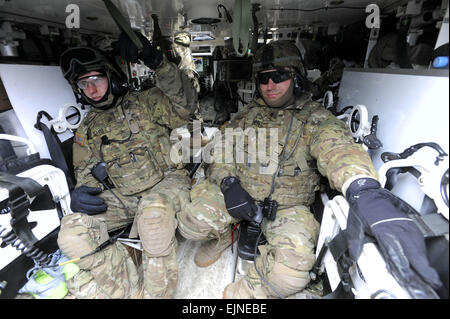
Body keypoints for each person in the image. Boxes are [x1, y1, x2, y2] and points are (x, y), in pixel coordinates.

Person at [176, 40, 443, 298]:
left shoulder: (314, 119)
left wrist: (363, 188)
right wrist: (228, 184)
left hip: (287, 207)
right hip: (239, 194)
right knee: (189, 225)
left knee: (290, 275)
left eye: (279, 76)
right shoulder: (247, 115)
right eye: (263, 78)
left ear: (296, 77)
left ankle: (249, 288)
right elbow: (221, 150)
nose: (270, 85)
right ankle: (227, 233)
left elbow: (338, 149)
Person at [56, 31, 198, 299]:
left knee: (153, 221)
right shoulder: (87, 128)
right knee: (72, 234)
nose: (92, 90)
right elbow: (85, 171)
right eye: (83, 84)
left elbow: (187, 104)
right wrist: (82, 191)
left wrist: (157, 63)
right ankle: (126, 289)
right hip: (124, 195)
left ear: (110, 76)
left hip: (167, 182)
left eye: (96, 79)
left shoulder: (146, 102)